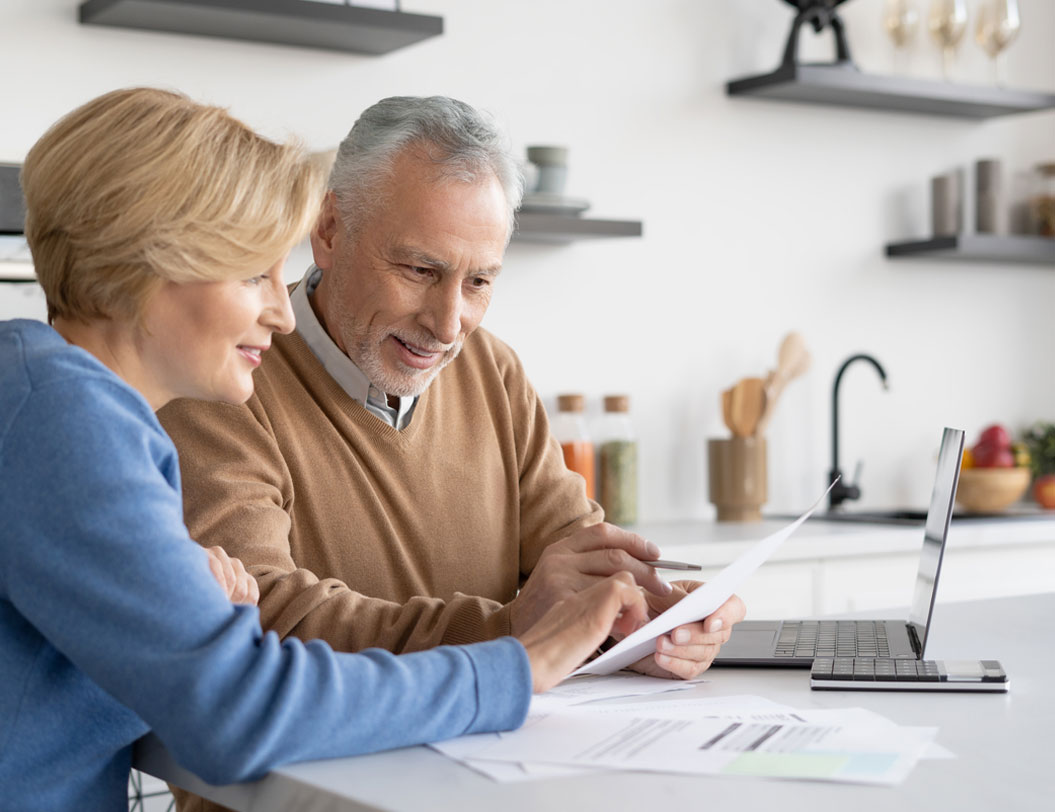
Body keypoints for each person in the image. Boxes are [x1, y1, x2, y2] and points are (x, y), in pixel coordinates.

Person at [0, 88, 651, 811]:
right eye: (252, 274)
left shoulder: (53, 400)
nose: (280, 310)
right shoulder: (61, 415)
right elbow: (238, 708)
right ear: (147, 265)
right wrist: (516, 667)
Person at [160, 97, 744, 674]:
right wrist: (511, 632)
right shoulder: (223, 377)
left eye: (480, 281)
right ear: (330, 231)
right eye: (420, 271)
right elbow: (264, 613)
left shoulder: (493, 370)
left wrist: (648, 623)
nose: (447, 324)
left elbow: (576, 553)